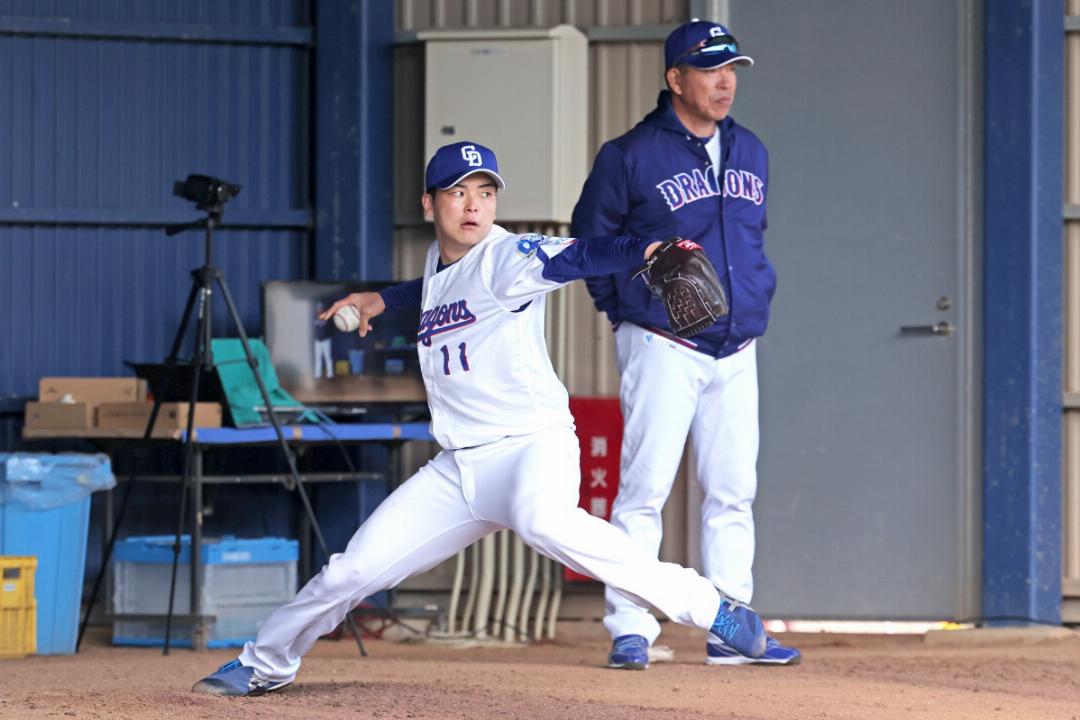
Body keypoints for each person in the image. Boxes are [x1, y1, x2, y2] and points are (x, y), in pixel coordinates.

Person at [191, 140, 766, 696]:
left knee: (544, 521)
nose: (473, 205)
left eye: (486, 193)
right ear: (429, 204)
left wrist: (649, 250)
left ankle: (710, 606)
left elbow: (579, 255)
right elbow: (435, 289)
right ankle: (264, 663)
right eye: (458, 192)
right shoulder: (441, 262)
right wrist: (381, 300)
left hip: (529, 447)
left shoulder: (506, 257)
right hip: (459, 468)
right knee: (351, 571)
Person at [570, 20, 800, 668]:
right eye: (710, 70)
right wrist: (625, 313)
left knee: (733, 491)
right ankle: (630, 628)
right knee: (644, 491)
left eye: (732, 69)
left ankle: (732, 628)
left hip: (736, 346)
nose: (725, 82)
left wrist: (755, 299)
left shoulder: (751, 150)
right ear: (675, 79)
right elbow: (590, 243)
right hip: (663, 343)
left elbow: (750, 240)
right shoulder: (630, 155)